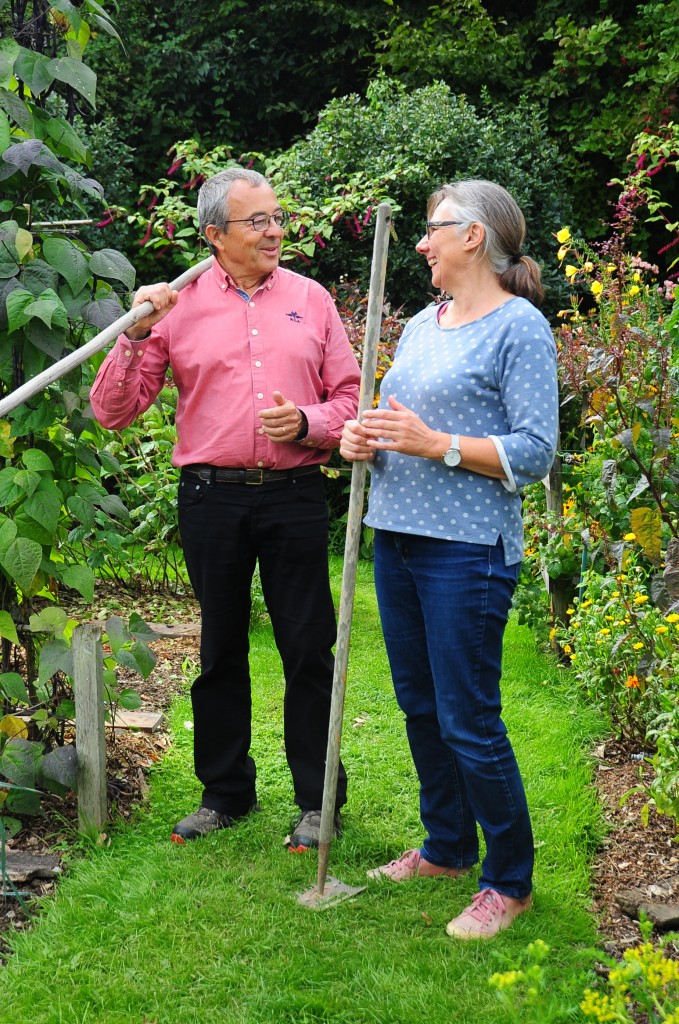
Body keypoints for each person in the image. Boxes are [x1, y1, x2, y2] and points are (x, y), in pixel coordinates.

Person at [90, 167, 361, 849]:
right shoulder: (174, 308)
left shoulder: (311, 298)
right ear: (214, 234)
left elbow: (351, 402)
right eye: (257, 221)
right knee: (219, 650)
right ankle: (224, 792)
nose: (275, 231)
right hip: (211, 498)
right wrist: (136, 334)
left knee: (307, 648)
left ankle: (317, 800)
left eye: (276, 217)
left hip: (294, 495)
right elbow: (112, 411)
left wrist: (305, 423)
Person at [340, 179, 558, 939]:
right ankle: (445, 847)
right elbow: (397, 419)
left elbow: (534, 452)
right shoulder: (425, 324)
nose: (422, 242)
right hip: (396, 535)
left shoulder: (518, 327)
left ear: (473, 237)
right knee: (421, 707)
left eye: (433, 229)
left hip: (466, 550)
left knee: (469, 718)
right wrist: (359, 437)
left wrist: (436, 445)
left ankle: (509, 880)